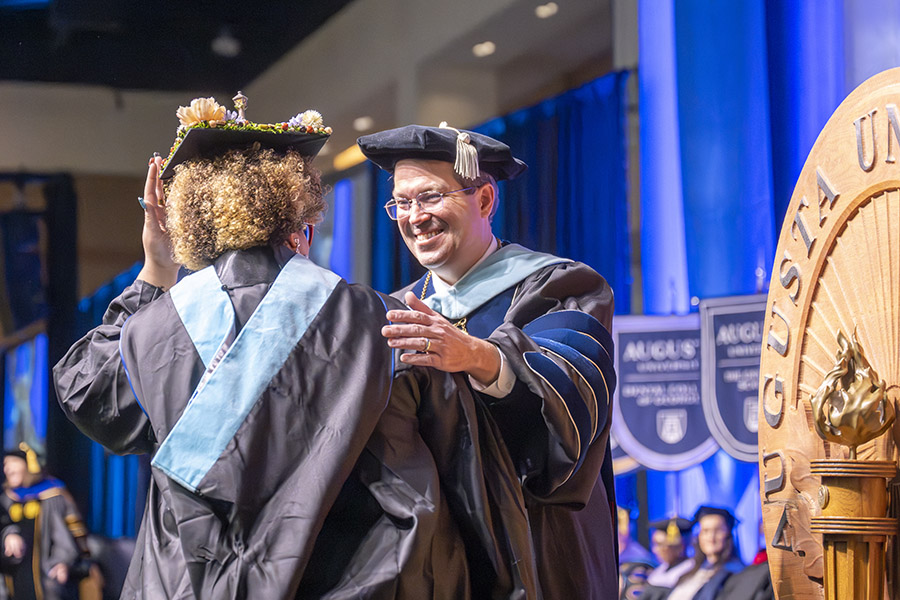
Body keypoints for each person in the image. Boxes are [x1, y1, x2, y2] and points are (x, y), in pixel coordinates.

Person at [53, 98, 538, 599]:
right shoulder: (389, 322)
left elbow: (90, 393)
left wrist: (156, 267)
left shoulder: (155, 328)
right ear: (300, 223)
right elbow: (462, 477)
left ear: (192, 226)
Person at [358, 123, 618, 598]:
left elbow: (575, 396)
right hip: (436, 554)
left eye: (431, 197)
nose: (415, 217)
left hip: (537, 547)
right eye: (402, 203)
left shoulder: (562, 287)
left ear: (483, 200)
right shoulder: (393, 312)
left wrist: (480, 357)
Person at [0, 444, 91, 600]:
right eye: (5, 465)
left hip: (48, 575)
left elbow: (66, 533)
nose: (7, 469)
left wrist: (63, 561)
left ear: (28, 465)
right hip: (13, 576)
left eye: (12, 463)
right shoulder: (6, 499)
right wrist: (7, 535)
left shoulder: (52, 495)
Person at [661, 506, 743, 600]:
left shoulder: (734, 573)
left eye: (718, 530)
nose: (711, 537)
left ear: (728, 535)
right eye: (705, 531)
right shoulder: (693, 570)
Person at [647, 516, 694, 588]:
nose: (655, 550)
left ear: (679, 546)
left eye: (660, 545)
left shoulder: (690, 570)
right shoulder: (660, 570)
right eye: (654, 544)